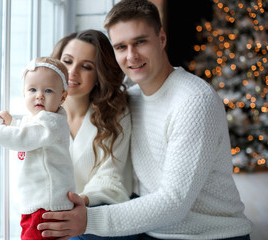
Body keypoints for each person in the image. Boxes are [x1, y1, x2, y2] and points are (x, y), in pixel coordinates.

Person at [37, 1, 253, 240]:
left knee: (84, 230)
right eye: (121, 47)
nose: (132, 56)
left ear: (161, 39)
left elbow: (173, 203)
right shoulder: (131, 99)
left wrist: (88, 220)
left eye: (140, 42)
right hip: (152, 229)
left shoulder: (194, 101)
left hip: (207, 234)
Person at [0, 57, 76, 240]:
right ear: (24, 93)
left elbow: (21, 139)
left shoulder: (50, 123)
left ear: (63, 96)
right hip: (40, 203)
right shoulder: (38, 120)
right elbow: (26, 133)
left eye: (48, 90)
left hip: (46, 206)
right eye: (32, 89)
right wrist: (10, 123)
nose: (39, 95)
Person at [50, 29, 133, 208]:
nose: (72, 72)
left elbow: (110, 178)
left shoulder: (115, 115)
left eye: (86, 66)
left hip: (97, 213)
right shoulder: (41, 114)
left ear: (98, 75)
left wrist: (81, 202)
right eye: (67, 61)